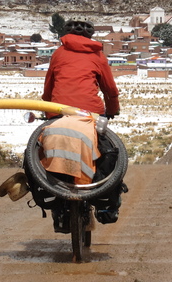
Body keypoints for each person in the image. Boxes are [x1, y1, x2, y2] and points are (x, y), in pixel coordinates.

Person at [41, 19, 126, 227]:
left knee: (41, 147)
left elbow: (49, 87)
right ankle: (105, 200)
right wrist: (112, 110)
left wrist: (48, 110)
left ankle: (54, 196)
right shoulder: (98, 56)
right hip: (90, 113)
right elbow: (110, 90)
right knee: (106, 149)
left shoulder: (58, 54)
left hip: (60, 110)